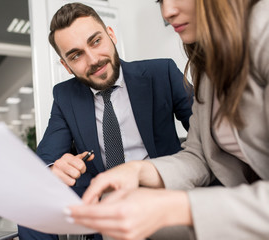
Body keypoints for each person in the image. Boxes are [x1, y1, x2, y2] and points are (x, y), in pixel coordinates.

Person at [67, 0, 269, 239]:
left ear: (111, 36)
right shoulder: (206, 61)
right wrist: (138, 170)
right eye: (161, 0)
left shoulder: (263, 27)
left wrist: (176, 207)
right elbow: (199, 155)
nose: (167, 12)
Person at [18, 2, 193, 240]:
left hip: (159, 187)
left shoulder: (161, 73)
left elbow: (207, 134)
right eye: (76, 55)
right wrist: (54, 170)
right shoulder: (65, 96)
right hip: (102, 200)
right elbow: (45, 161)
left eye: (95, 41)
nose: (93, 60)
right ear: (66, 66)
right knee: (31, 200)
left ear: (111, 35)